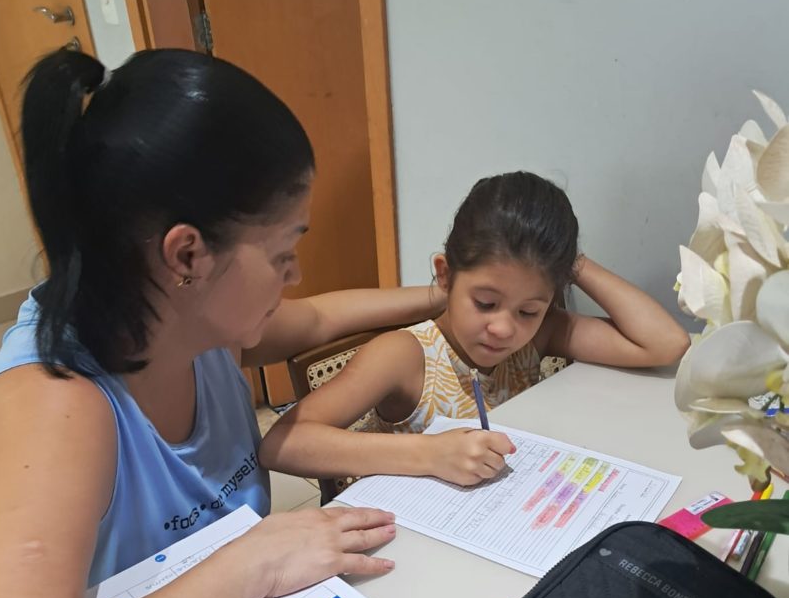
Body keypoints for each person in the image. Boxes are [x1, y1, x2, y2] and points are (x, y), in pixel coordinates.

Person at [0, 48, 446, 598]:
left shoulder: (190, 323)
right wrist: (256, 560)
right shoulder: (57, 406)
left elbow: (319, 317)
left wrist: (441, 298)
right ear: (188, 255)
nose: (295, 274)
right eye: (285, 252)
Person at [260, 171, 689, 486]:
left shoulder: (541, 335)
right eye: (485, 303)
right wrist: (428, 454)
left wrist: (569, 261)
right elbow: (282, 444)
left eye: (528, 311)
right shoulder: (406, 356)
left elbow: (665, 345)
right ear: (445, 276)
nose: (503, 328)